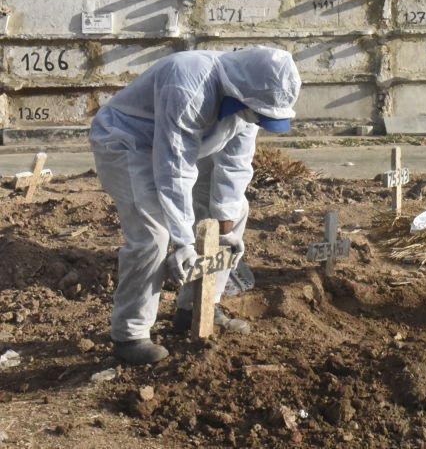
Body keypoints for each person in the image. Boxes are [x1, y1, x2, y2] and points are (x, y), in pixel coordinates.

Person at [89, 47, 301, 364]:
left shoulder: (251, 96)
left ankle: (197, 308)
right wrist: (183, 241)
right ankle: (130, 335)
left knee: (234, 211)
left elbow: (235, 165)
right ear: (241, 94)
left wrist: (225, 228)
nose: (259, 119)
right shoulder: (189, 82)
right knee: (154, 235)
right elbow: (173, 170)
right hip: (128, 142)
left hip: (191, 146)